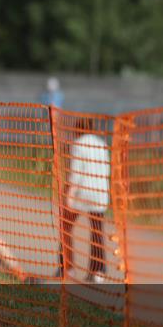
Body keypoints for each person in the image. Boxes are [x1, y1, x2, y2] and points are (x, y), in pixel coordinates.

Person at [58, 118, 111, 283]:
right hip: (100, 192)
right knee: (97, 232)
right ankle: (98, 271)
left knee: (65, 227)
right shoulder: (101, 144)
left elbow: (76, 173)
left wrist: (69, 196)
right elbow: (107, 169)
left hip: (83, 193)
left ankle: (68, 267)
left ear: (78, 129)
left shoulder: (79, 144)